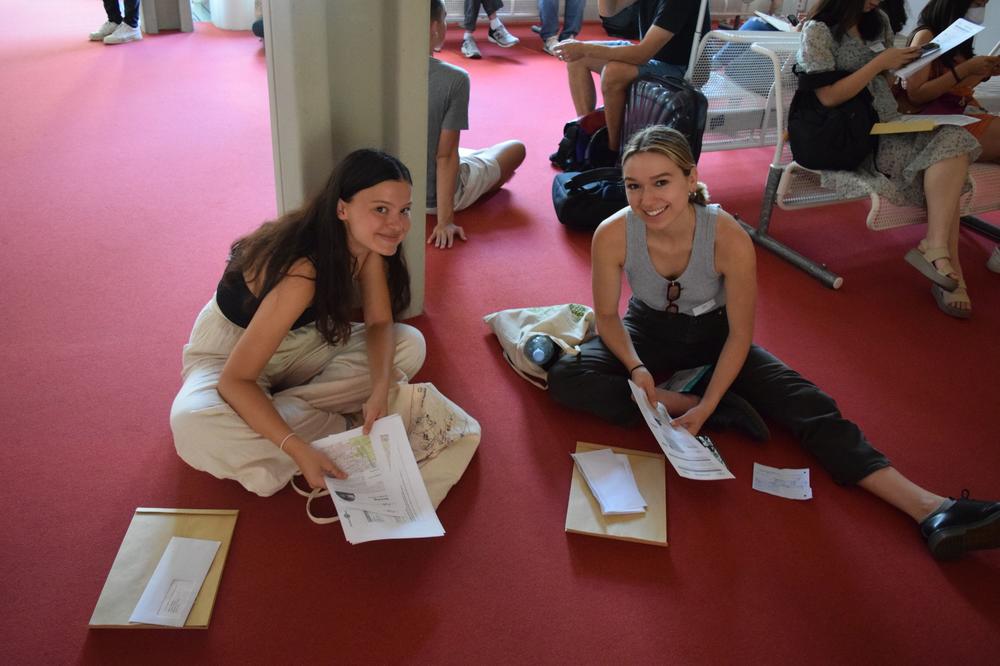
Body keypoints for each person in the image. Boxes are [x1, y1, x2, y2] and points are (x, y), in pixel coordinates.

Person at [546, 125, 1000, 560]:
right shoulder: (612, 233)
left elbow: (740, 335)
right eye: (634, 186)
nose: (647, 200)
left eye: (661, 182)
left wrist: (710, 398)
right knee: (567, 375)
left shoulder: (727, 235)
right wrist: (639, 369)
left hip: (714, 335)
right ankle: (697, 404)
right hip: (646, 330)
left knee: (807, 402)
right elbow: (608, 316)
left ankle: (930, 508)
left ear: (690, 178)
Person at [170, 149, 426, 496]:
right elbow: (235, 380)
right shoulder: (303, 271)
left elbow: (380, 323)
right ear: (342, 209)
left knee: (409, 344)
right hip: (228, 353)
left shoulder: (366, 245)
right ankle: (318, 431)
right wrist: (295, 446)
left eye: (404, 210)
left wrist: (379, 389)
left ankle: (279, 417)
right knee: (194, 425)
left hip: (300, 341)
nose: (397, 224)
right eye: (381, 209)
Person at [796, 0, 982, 318]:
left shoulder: (877, 20)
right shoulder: (819, 30)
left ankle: (935, 248)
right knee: (948, 163)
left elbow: (885, 84)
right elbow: (827, 97)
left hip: (887, 123)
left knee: (956, 138)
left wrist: (901, 67)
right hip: (849, 135)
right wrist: (878, 63)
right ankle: (948, 269)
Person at [553, 0, 711, 159]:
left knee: (613, 73)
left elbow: (642, 54)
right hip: (655, 57)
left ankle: (613, 153)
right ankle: (588, 137)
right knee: (577, 59)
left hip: (682, 68)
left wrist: (584, 49)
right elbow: (608, 11)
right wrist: (582, 50)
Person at [427, 0, 526, 249]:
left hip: (391, 190)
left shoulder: (379, 71)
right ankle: (483, 179)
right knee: (516, 148)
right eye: (445, 19)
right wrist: (445, 221)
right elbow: (445, 156)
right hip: (433, 198)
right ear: (434, 27)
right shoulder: (455, 79)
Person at [900, 0, 1000, 163]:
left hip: (958, 112)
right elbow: (916, 94)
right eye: (977, 4)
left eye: (984, 5)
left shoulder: (962, 38)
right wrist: (966, 68)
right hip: (934, 120)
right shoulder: (927, 36)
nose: (981, 11)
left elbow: (956, 88)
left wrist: (986, 71)